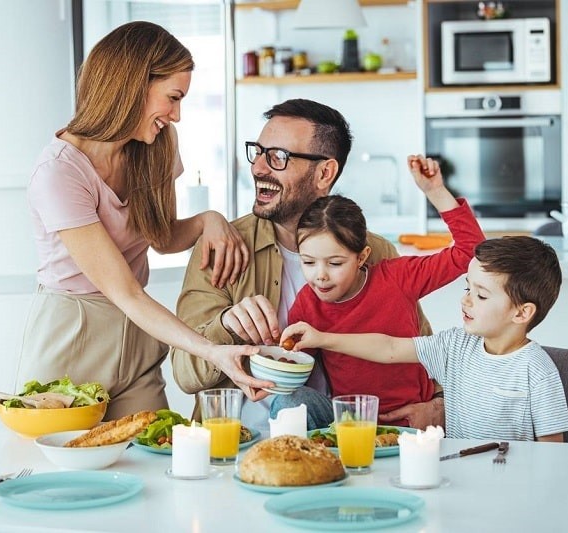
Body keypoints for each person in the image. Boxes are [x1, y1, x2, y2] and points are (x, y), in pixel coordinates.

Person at [15, 21, 271, 421]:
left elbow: (161, 236)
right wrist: (208, 350)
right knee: (61, 474)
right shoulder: (59, 173)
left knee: (156, 456)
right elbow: (124, 291)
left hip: (136, 337)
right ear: (133, 84)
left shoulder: (155, 147)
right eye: (172, 97)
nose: (177, 114)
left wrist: (209, 219)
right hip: (73, 335)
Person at [170, 98, 439, 433]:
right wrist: (226, 325)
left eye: (278, 157)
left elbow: (425, 352)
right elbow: (183, 373)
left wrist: (437, 407)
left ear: (325, 172)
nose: (258, 168)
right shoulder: (224, 246)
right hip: (236, 445)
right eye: (258, 151)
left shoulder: (375, 252)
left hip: (341, 442)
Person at [283, 236, 568, 442]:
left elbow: (552, 451)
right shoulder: (455, 346)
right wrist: (321, 338)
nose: (466, 301)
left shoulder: (537, 369)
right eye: (467, 288)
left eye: (481, 295)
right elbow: (389, 347)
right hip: (457, 474)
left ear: (522, 313)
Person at [278, 155, 485, 426]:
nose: (320, 276)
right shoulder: (308, 304)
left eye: (335, 263)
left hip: (411, 421)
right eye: (308, 262)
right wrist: (275, 359)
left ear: (362, 257)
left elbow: (471, 250)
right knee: (288, 402)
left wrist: (435, 191)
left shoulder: (398, 278)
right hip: (349, 423)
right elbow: (293, 366)